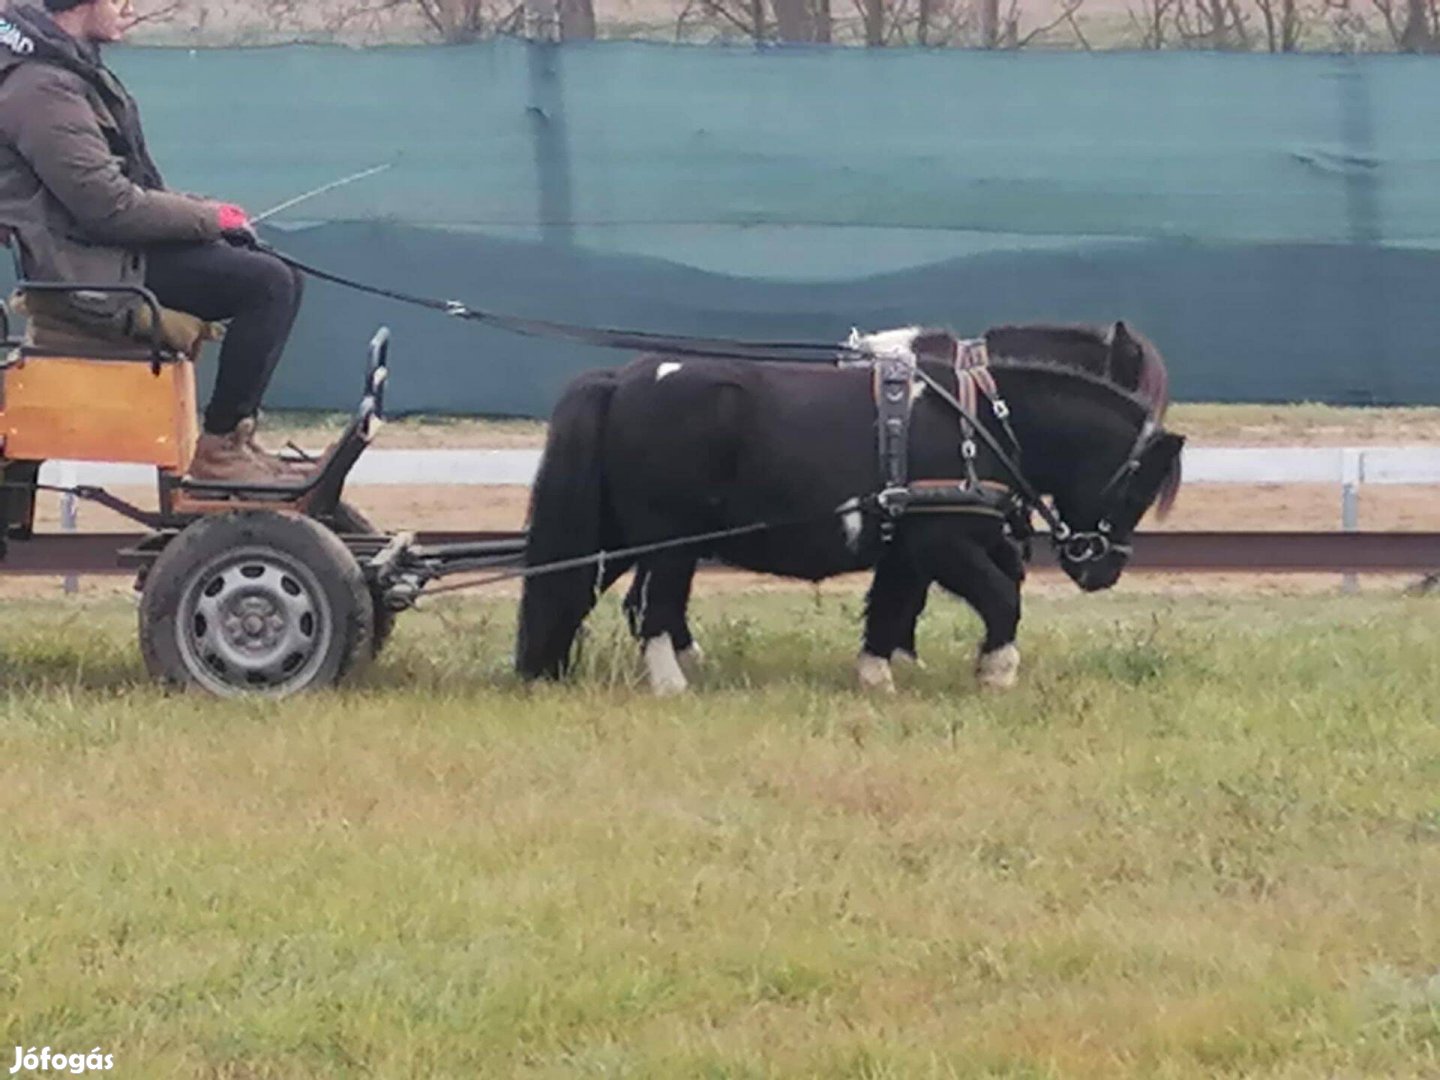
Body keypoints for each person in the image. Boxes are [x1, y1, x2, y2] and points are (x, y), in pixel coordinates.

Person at [0, 0, 311, 483]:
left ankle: (233, 441)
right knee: (267, 284)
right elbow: (108, 207)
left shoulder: (65, 73)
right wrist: (209, 218)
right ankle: (220, 451)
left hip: (111, 255)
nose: (128, 7)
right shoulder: (41, 89)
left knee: (275, 272)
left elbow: (132, 190)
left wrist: (211, 215)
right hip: (89, 274)